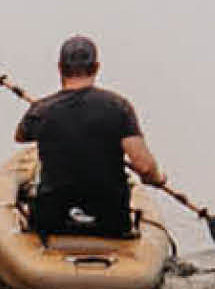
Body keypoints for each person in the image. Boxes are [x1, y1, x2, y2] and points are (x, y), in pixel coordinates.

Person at [14, 34, 165, 240]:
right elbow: (144, 166)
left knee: (41, 203)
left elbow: (20, 136)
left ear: (60, 68)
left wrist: (41, 112)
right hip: (111, 219)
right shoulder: (118, 107)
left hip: (53, 219)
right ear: (96, 67)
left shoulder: (42, 110)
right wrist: (157, 178)